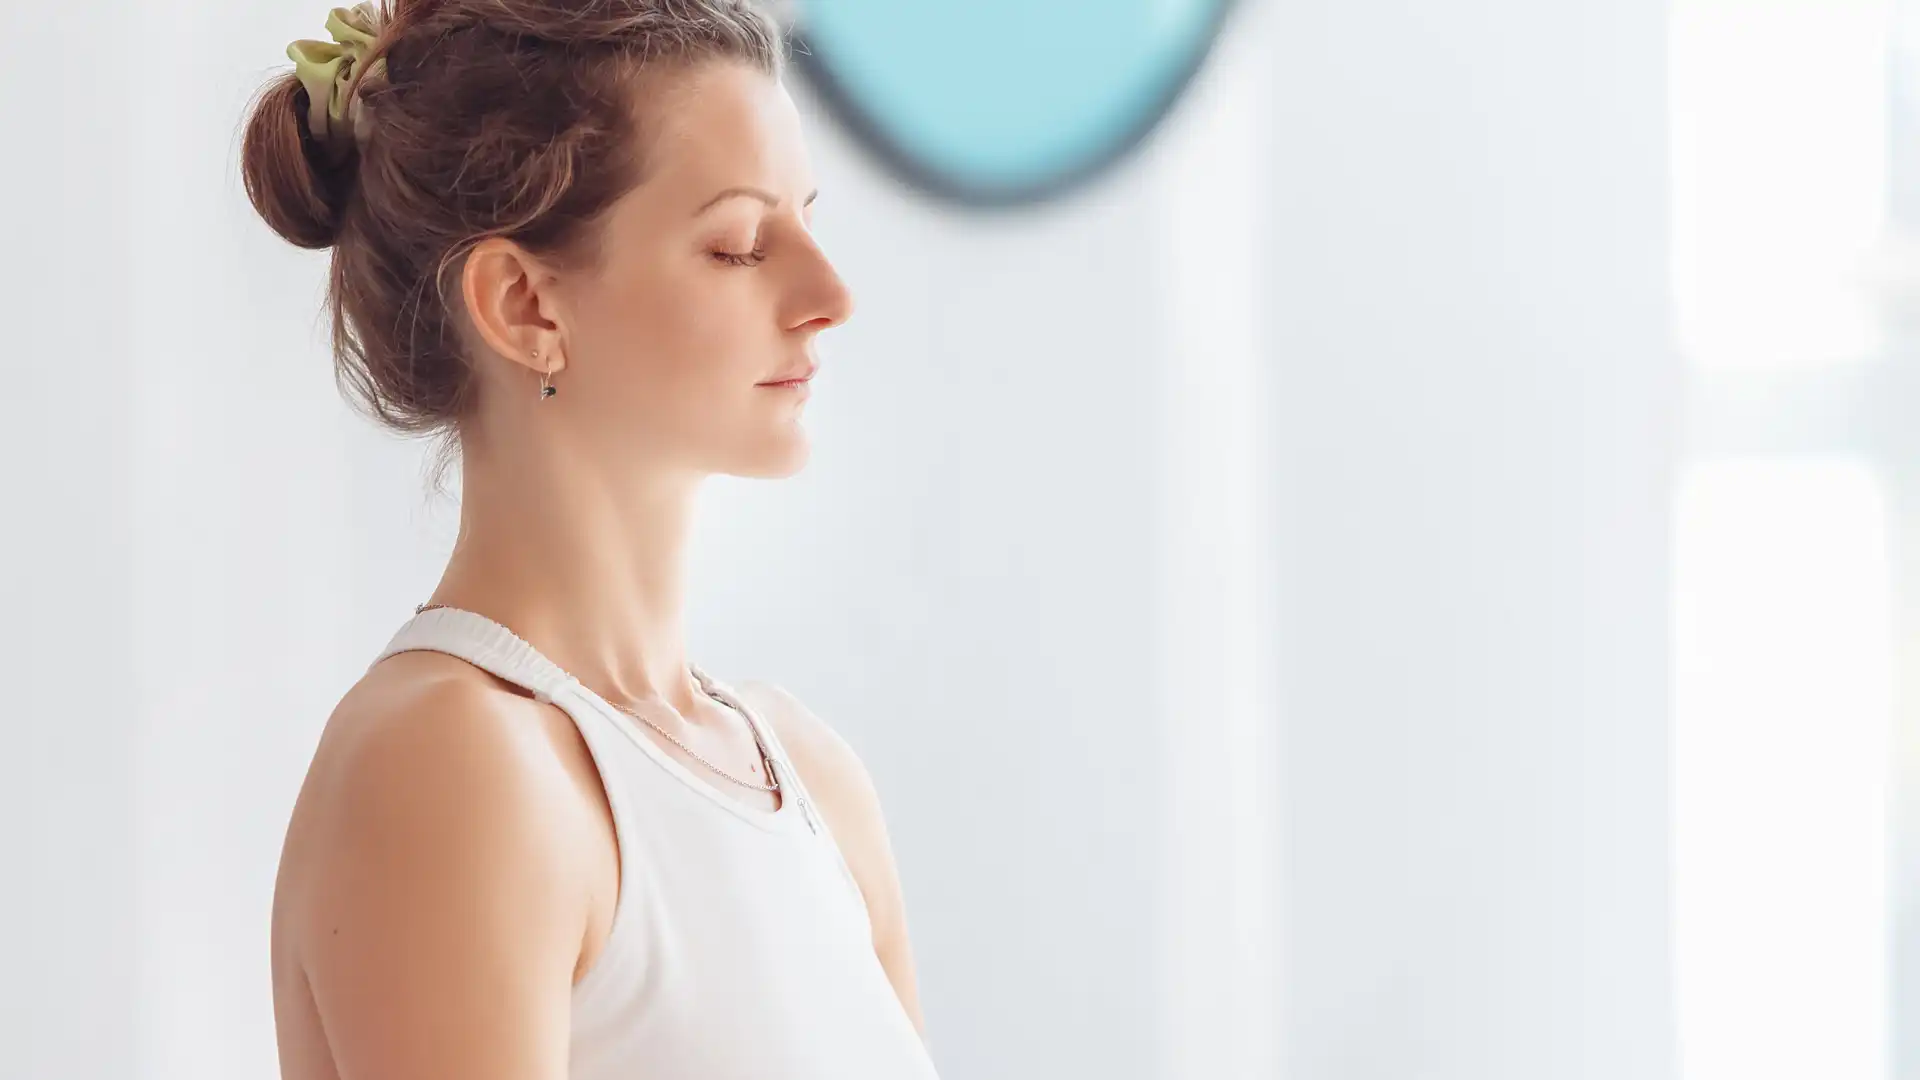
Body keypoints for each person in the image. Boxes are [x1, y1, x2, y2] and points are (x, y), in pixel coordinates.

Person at [240, 3, 938, 1077]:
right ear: (523, 304)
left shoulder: (812, 782)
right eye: (742, 244)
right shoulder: (450, 766)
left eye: (807, 218)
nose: (829, 296)